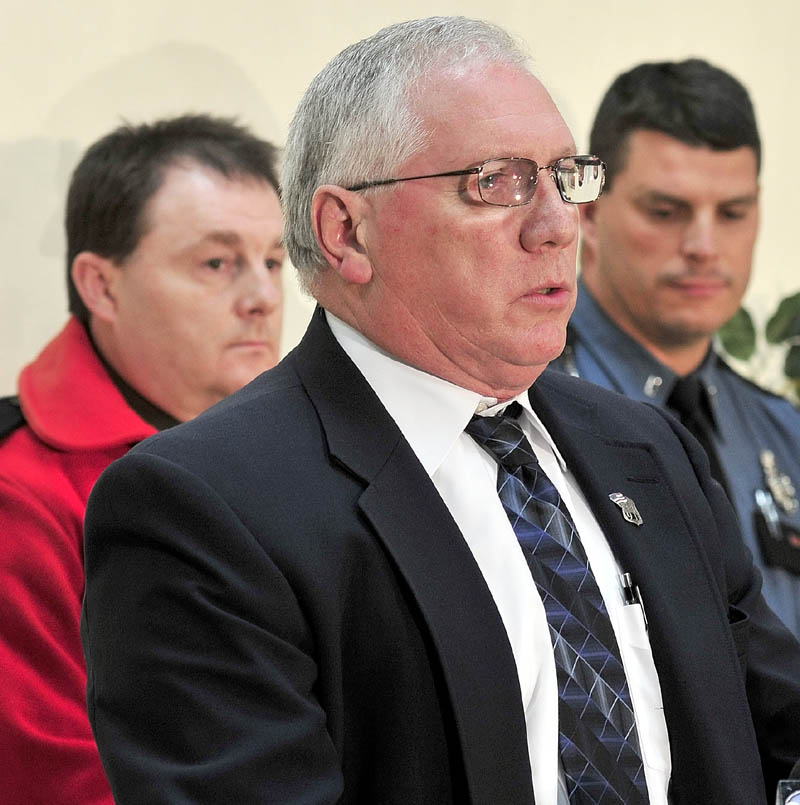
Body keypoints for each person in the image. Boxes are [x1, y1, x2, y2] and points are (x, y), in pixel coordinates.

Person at [82, 19, 800, 804]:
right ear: (346, 231)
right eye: (498, 182)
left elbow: (779, 729)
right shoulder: (202, 506)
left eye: (567, 177)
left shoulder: (647, 448)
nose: (558, 225)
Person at [0, 114, 284, 804]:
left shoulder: (301, 446)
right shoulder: (20, 493)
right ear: (101, 285)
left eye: (274, 260)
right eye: (217, 263)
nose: (264, 299)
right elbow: (55, 779)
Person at [549, 58, 800, 639]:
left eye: (733, 213)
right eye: (666, 212)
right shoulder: (522, 411)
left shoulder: (784, 433)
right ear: (589, 211)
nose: (704, 246)